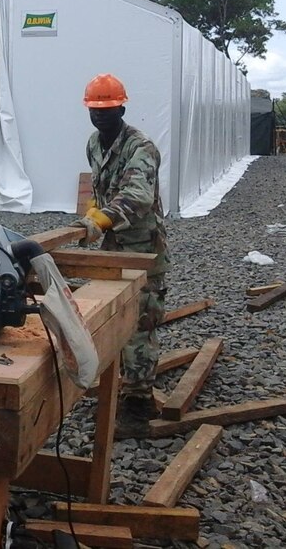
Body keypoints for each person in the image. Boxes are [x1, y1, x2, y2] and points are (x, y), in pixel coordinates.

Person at [71, 73, 170, 439]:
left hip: (142, 248)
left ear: (122, 107)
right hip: (113, 247)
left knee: (140, 323)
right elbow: (100, 187)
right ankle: (117, 383)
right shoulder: (94, 144)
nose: (101, 116)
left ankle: (139, 403)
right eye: (95, 110)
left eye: (108, 109)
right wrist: (93, 210)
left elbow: (139, 196)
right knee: (113, 316)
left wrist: (102, 218)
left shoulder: (141, 147)